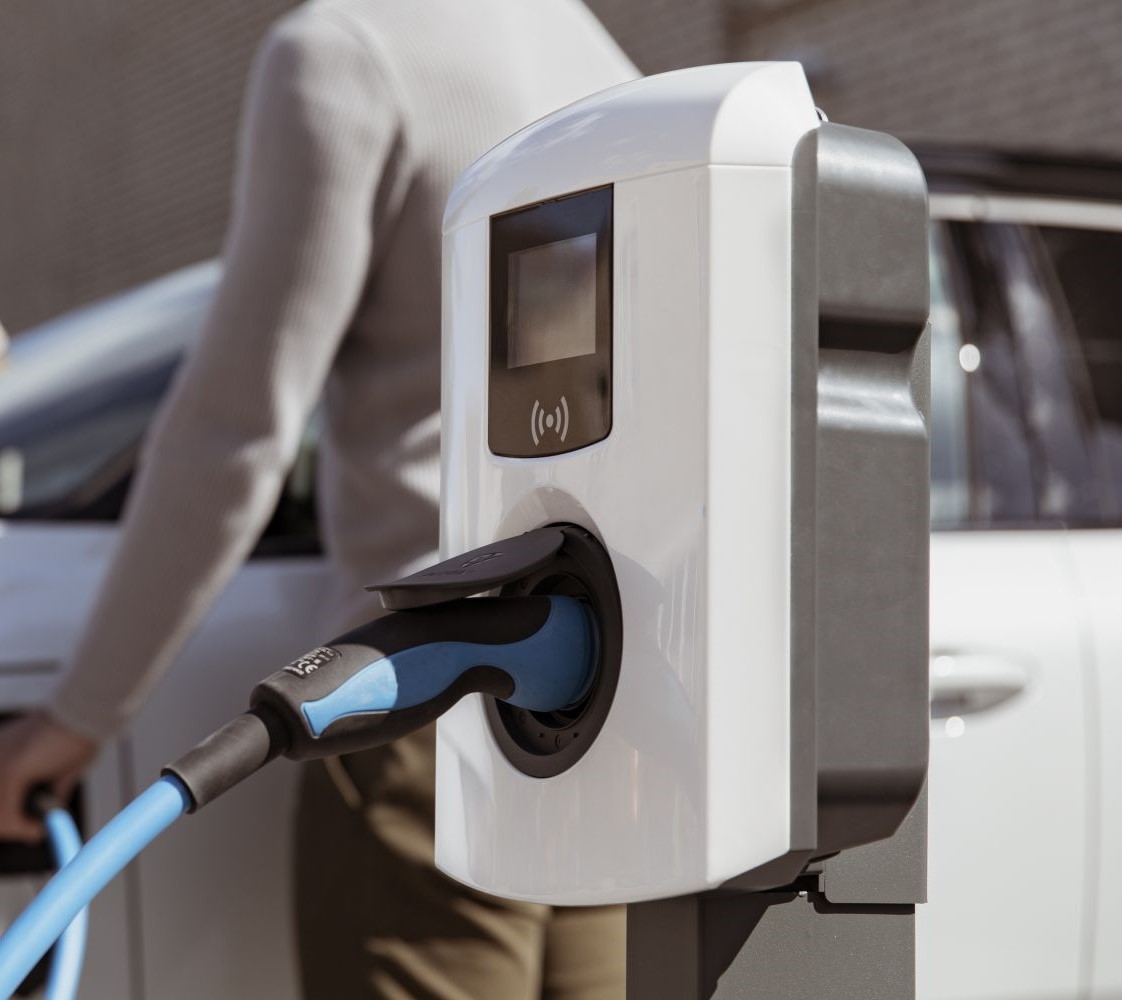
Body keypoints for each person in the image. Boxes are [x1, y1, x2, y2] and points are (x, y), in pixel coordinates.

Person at [0, 2, 637, 996]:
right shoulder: (603, 61)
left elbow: (235, 431)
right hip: (607, 696)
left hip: (421, 705)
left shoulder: (348, 51)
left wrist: (80, 716)